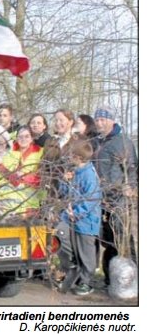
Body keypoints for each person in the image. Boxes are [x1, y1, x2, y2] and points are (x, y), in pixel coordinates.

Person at [92, 105, 138, 288]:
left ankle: (134, 279)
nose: (100, 123)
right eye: (97, 120)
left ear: (112, 120)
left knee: (123, 238)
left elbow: (132, 168)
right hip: (100, 199)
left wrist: (131, 187)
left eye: (103, 119)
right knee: (108, 241)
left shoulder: (122, 142)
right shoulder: (96, 142)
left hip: (118, 198)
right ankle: (110, 280)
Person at [57, 140, 102, 296]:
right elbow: (63, 192)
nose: (68, 157)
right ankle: (71, 268)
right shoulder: (74, 171)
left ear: (78, 157)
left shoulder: (89, 175)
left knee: (85, 252)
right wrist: (65, 180)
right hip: (70, 217)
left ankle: (86, 281)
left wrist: (77, 213)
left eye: (71, 154)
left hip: (86, 221)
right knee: (62, 238)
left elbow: (92, 199)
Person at [0, 126, 43, 217]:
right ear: (16, 138)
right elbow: (0, 177)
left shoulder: (40, 152)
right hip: (9, 206)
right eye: (20, 137)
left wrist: (24, 177)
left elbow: (41, 176)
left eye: (26, 136)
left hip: (30, 204)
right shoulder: (9, 152)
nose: (23, 139)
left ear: (32, 138)